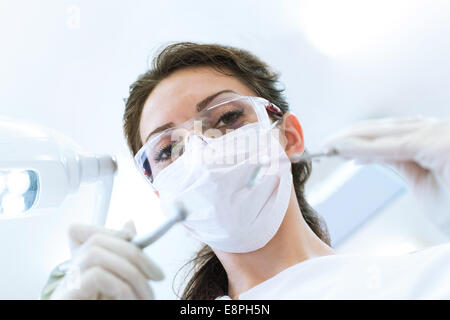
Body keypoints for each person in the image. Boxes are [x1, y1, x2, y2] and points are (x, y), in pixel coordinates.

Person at [48, 42, 450, 300]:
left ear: (289, 137)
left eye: (225, 119)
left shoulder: (423, 280)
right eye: (168, 149)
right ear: (161, 193)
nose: (202, 152)